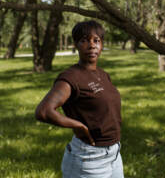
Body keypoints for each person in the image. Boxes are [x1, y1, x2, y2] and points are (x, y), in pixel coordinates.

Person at [35, 20, 123, 178]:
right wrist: (78, 126)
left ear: (102, 44)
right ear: (76, 44)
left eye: (96, 40)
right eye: (84, 40)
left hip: (114, 155)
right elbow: (44, 111)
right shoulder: (71, 77)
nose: (91, 45)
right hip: (89, 159)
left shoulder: (103, 74)